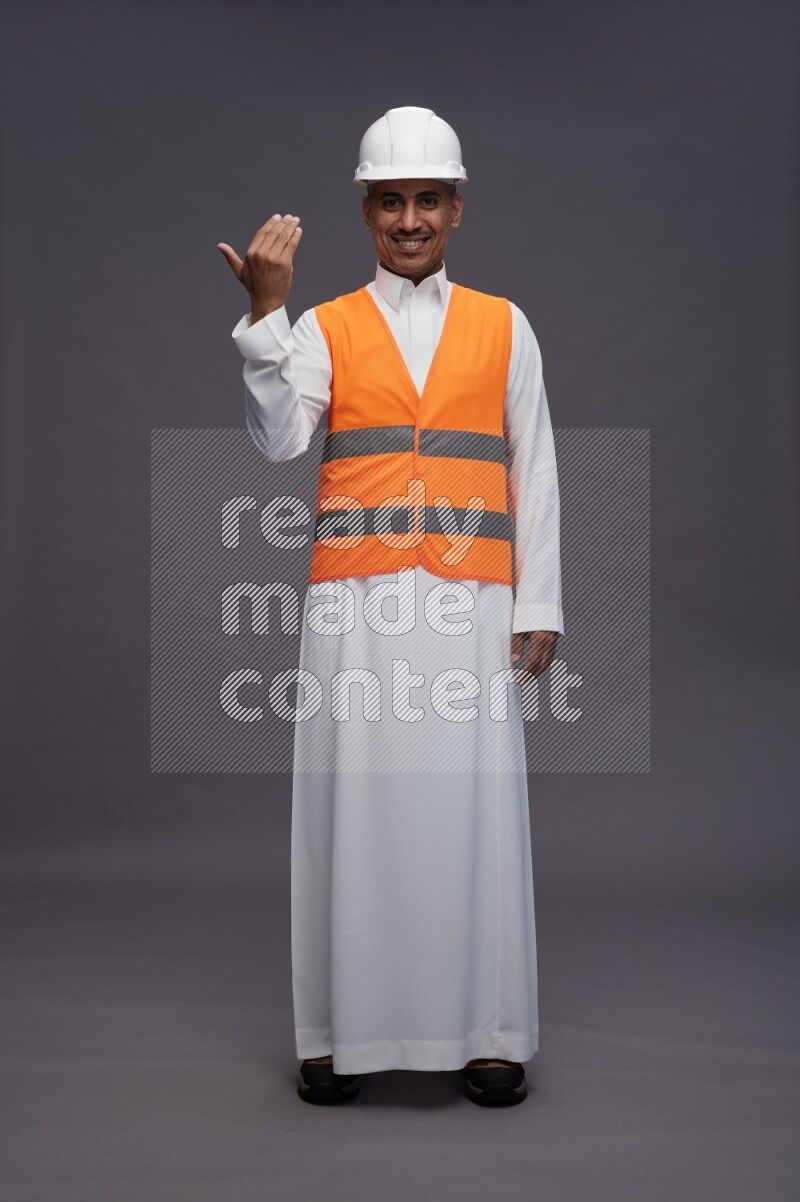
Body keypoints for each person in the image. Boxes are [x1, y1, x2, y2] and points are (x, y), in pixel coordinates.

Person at [218, 106, 564, 1108]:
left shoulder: (506, 324)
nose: (407, 218)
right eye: (388, 201)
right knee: (349, 807)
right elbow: (281, 440)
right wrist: (265, 318)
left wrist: (535, 598)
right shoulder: (323, 326)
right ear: (365, 210)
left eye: (425, 199)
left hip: (469, 607)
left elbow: (532, 467)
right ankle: (336, 1034)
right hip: (356, 607)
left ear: (454, 208)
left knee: (473, 814)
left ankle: (489, 1031)